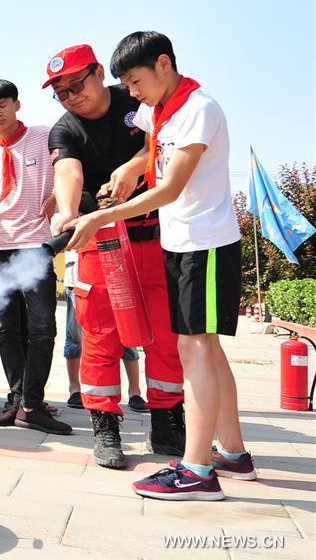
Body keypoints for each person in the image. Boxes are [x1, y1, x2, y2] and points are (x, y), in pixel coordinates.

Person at [66, 31, 253, 499]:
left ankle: (197, 469)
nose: (130, 93)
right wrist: (131, 168)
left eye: (134, 81)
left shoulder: (199, 109)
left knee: (193, 351)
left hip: (204, 247)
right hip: (181, 243)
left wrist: (102, 215)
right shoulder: (160, 110)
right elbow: (148, 147)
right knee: (207, 350)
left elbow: (170, 189)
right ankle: (232, 452)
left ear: (163, 64)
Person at [46, 43, 185, 468]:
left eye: (76, 85)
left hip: (155, 234)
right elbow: (68, 172)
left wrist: (133, 167)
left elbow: (158, 144)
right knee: (100, 335)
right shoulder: (64, 129)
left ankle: (166, 418)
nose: (71, 97)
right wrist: (68, 213)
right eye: (61, 92)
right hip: (99, 239)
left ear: (98, 72)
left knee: (165, 334)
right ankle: (105, 424)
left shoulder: (135, 98)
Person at [0, 79, 71, 435]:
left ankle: (32, 403)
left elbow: (69, 168)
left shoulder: (44, 136)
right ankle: (16, 400)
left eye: (2, 105)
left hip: (35, 243)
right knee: (7, 326)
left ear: (17, 104)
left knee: (42, 325)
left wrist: (59, 198)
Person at [62, 248, 148, 413]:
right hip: (77, 277)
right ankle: (74, 389)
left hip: (116, 272)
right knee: (74, 336)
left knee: (127, 334)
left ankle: (135, 392)